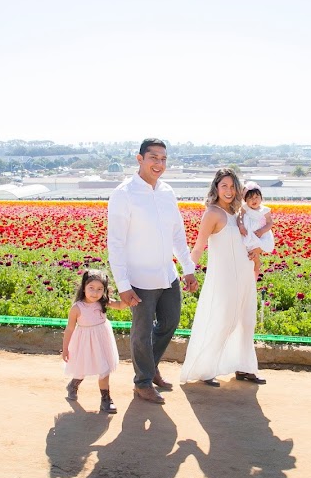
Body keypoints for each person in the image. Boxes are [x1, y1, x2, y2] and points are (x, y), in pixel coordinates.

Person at [107, 138, 198, 405]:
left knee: (170, 322)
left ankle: (150, 366)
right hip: (139, 278)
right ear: (140, 159)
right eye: (153, 158)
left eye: (163, 159)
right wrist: (123, 284)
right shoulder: (124, 194)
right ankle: (143, 382)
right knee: (142, 331)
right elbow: (116, 242)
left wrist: (188, 268)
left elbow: (177, 234)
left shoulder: (167, 192)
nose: (159, 164)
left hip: (167, 274)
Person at [179, 168, 266, 386]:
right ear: (216, 188)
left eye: (232, 186)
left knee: (246, 322)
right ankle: (204, 369)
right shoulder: (212, 213)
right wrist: (188, 270)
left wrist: (256, 252)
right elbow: (199, 246)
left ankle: (245, 368)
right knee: (223, 321)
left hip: (245, 275)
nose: (228, 190)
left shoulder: (239, 213)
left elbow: (252, 239)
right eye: (224, 186)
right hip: (225, 278)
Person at [62, 269, 126, 414]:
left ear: (104, 290)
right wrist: (65, 349)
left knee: (104, 368)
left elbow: (120, 305)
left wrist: (129, 297)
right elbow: (69, 329)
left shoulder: (103, 302)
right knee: (83, 367)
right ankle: (73, 385)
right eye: (91, 288)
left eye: (99, 289)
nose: (95, 293)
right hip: (85, 342)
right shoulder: (77, 308)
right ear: (84, 287)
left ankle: (106, 399)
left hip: (103, 340)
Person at [238, 181, 274, 279]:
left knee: (255, 255)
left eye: (256, 197)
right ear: (245, 200)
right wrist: (241, 225)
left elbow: (270, 223)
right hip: (248, 234)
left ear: (261, 198)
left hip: (259, 235)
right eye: (250, 198)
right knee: (248, 256)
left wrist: (262, 231)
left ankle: (255, 274)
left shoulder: (264, 210)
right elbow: (240, 217)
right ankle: (248, 276)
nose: (254, 200)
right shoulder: (244, 208)